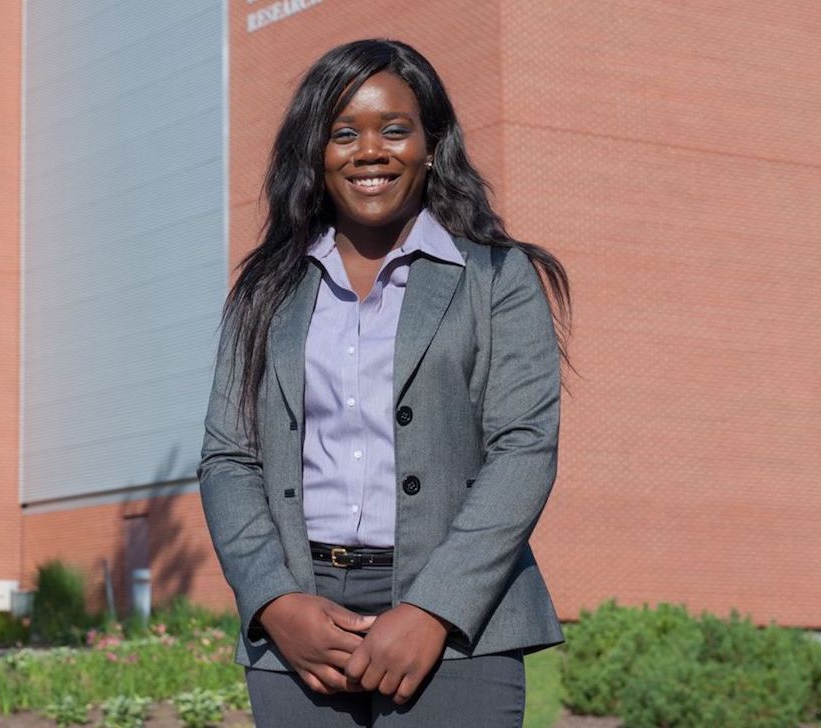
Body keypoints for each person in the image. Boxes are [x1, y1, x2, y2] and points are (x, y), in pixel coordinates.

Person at [198, 39, 573, 727]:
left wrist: (435, 609)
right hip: (300, 631)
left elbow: (524, 448)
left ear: (431, 145)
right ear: (316, 153)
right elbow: (228, 458)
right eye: (344, 133)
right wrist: (276, 602)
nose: (370, 150)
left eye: (394, 129)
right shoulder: (263, 292)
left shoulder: (496, 279)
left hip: (462, 626)